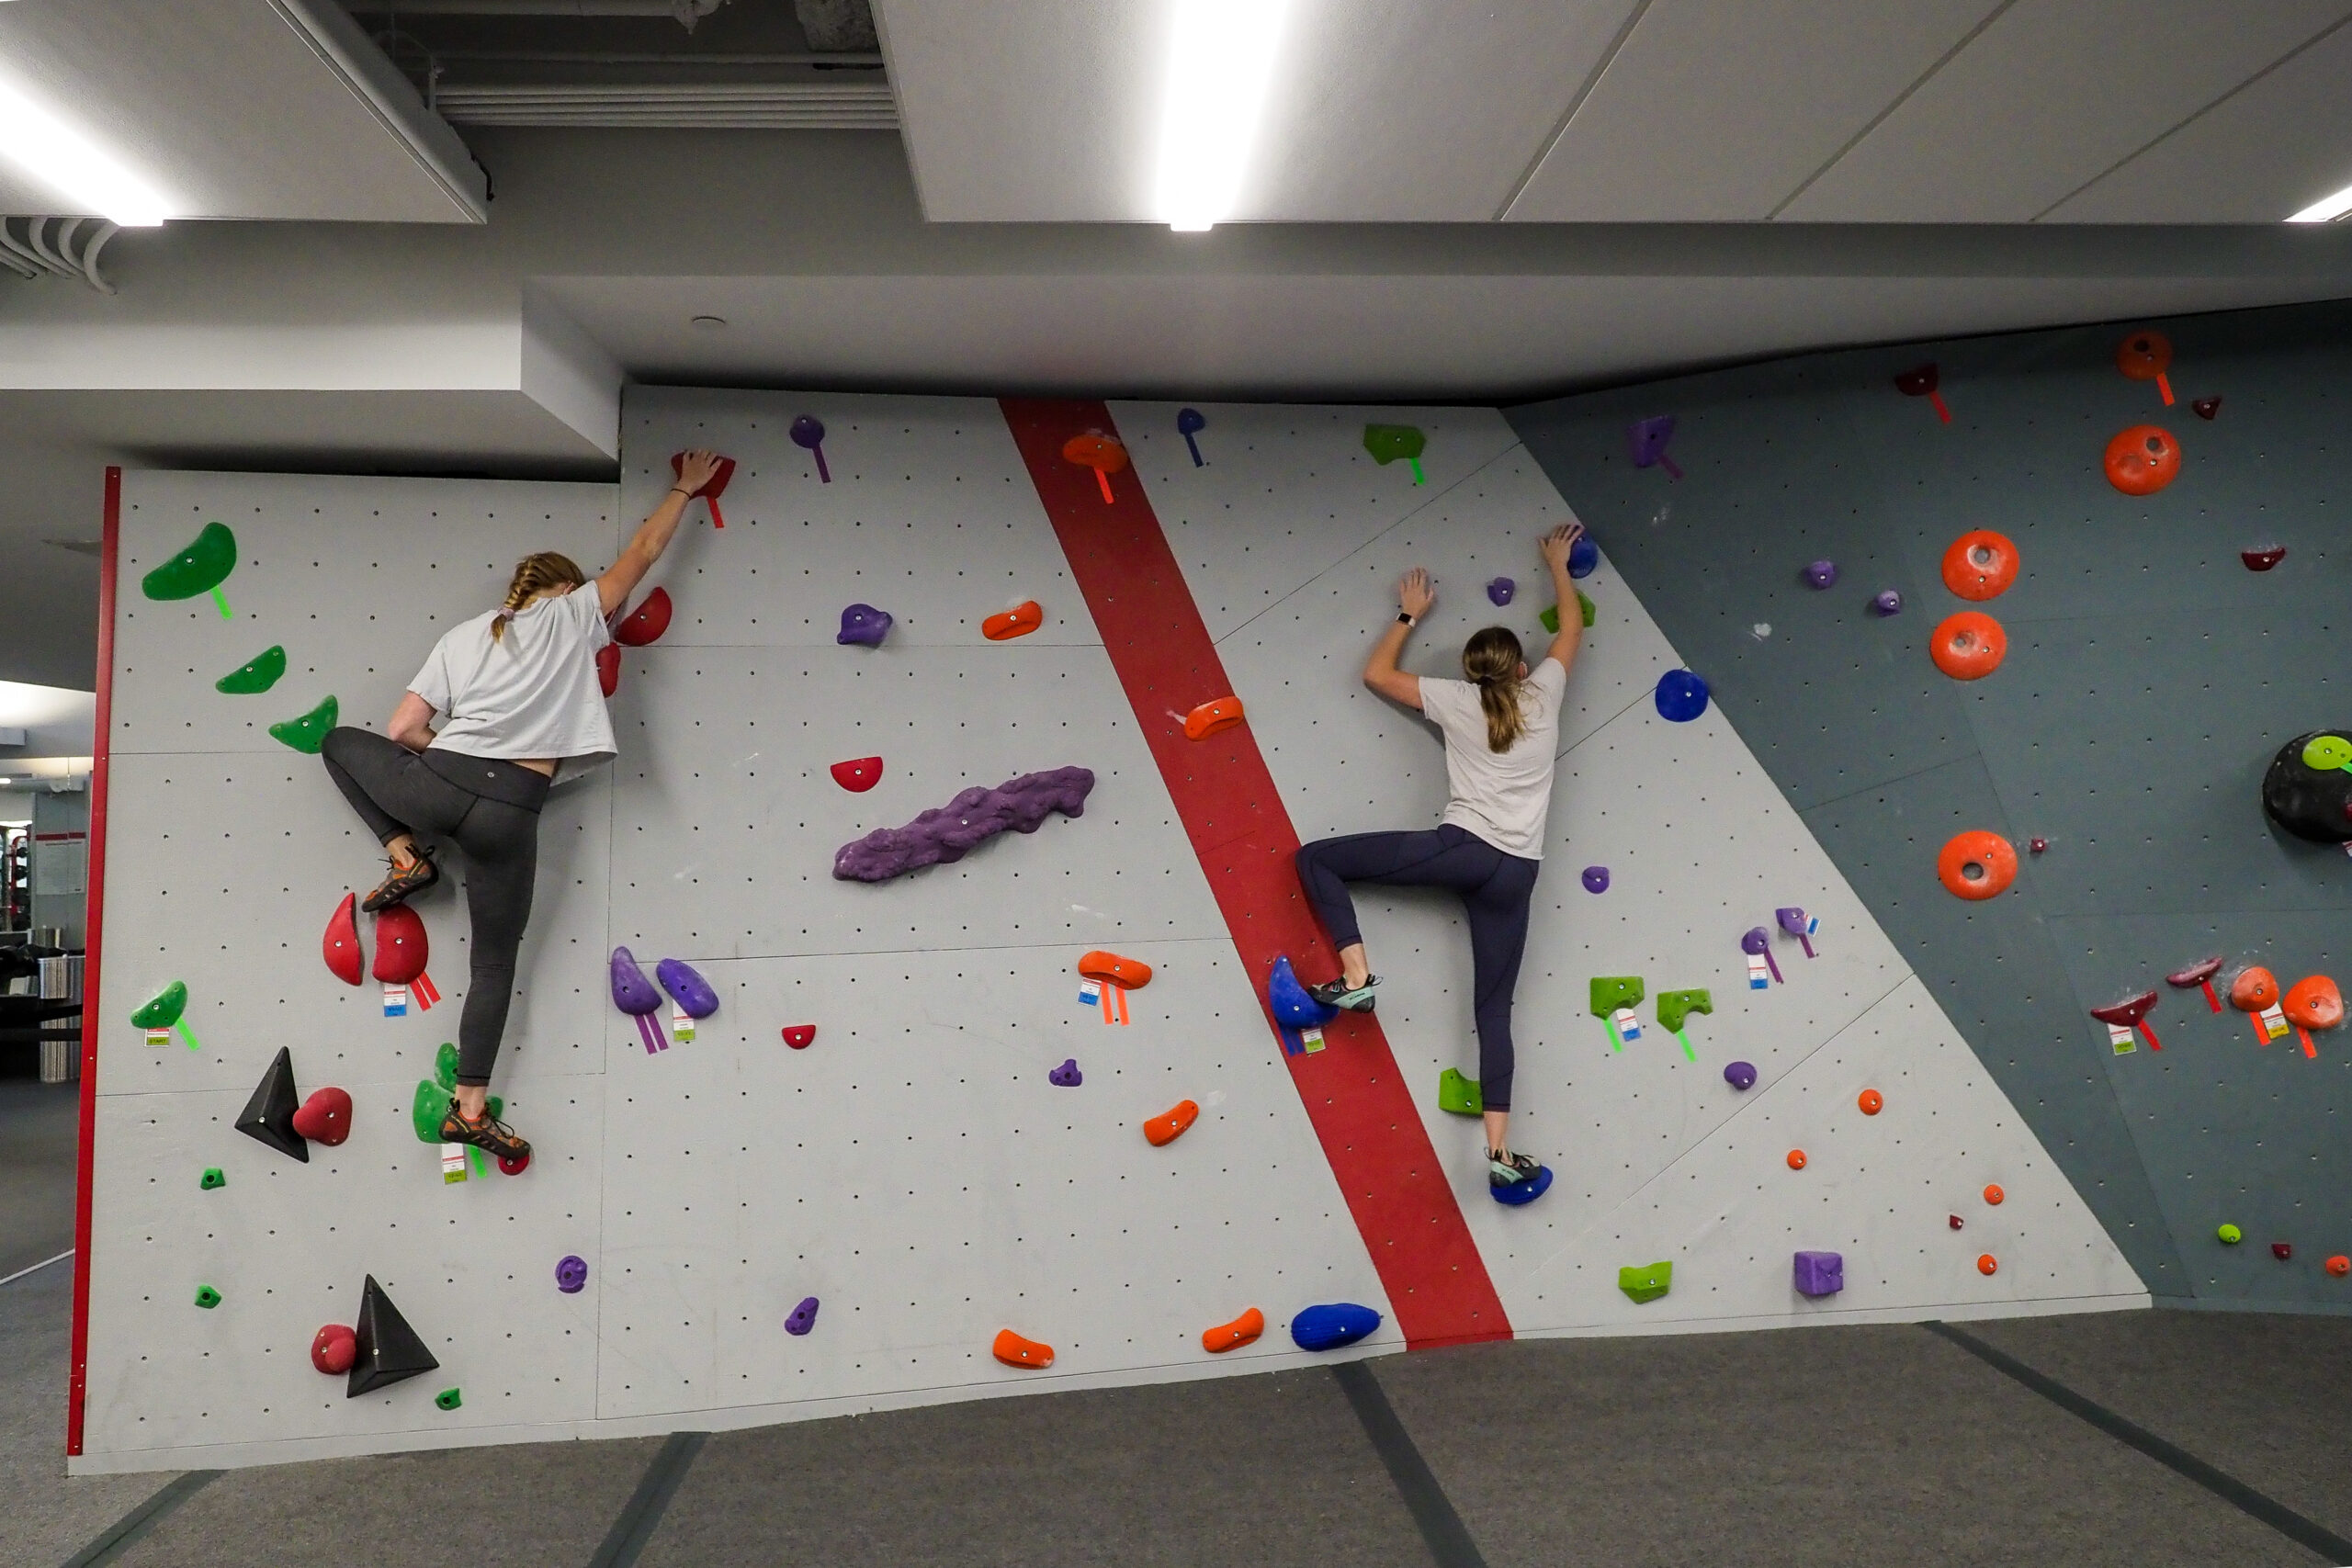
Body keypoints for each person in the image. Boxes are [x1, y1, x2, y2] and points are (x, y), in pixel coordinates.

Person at [318, 450, 727, 1160]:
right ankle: (469, 1106)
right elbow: (646, 549)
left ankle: (403, 854)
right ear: (566, 587)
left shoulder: (462, 635)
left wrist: (453, 760)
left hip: (438, 783)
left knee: (335, 741)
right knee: (495, 965)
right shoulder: (574, 614)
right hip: (512, 814)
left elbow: (399, 732)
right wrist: (685, 487)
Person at [1294, 521, 1586, 1199]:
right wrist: (1558, 566)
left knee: (1317, 860)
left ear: (1470, 672)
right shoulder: (1544, 694)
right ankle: (1500, 1149)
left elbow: (1375, 674)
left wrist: (1408, 613)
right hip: (1517, 875)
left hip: (1462, 851)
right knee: (1494, 1011)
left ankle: (1357, 974)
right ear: (1520, 667)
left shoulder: (1456, 699)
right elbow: (1571, 631)